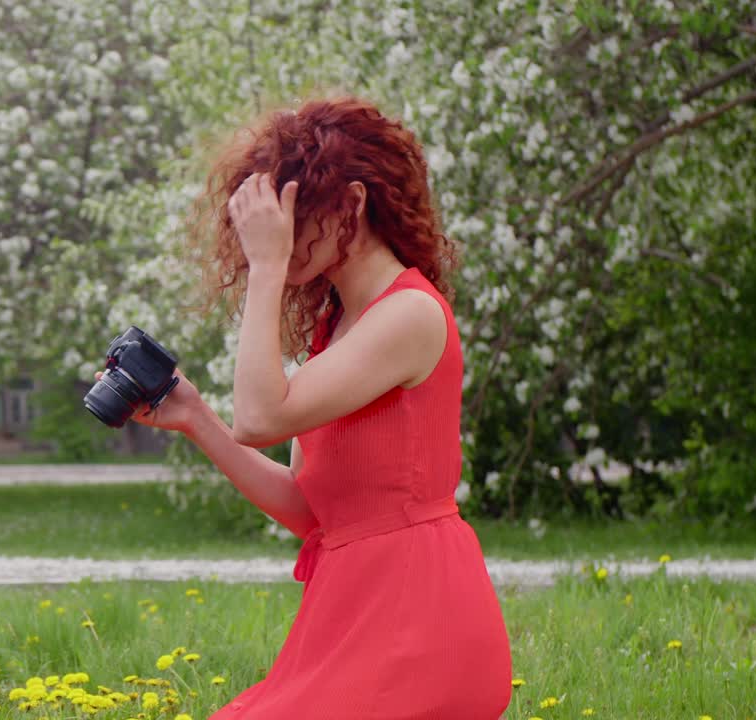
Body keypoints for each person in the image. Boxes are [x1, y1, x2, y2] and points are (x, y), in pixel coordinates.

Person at [98, 95, 513, 719]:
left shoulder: (410, 314)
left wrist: (267, 267)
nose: (279, 240)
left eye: (294, 218)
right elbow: (314, 511)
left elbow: (262, 418)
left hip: (420, 629)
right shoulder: (338, 329)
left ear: (352, 203)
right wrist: (194, 418)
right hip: (356, 623)